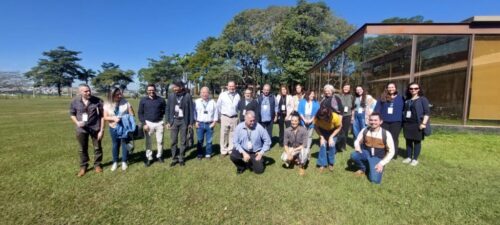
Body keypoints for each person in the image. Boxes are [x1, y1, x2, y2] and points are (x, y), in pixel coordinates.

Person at [69, 84, 104, 177]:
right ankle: (83, 166)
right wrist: (77, 122)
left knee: (97, 148)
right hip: (81, 129)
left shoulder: (97, 100)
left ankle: (97, 165)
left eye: (89, 90)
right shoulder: (75, 101)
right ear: (80, 92)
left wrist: (101, 130)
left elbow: (102, 116)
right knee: (82, 149)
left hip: (95, 128)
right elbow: (72, 114)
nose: (89, 92)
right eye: (86, 91)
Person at [350, 112, 395, 184]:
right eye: (371, 120)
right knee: (354, 155)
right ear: (368, 121)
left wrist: (381, 163)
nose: (373, 122)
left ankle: (375, 167)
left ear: (381, 121)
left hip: (378, 158)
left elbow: (392, 151)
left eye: (375, 120)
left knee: (374, 180)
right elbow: (357, 141)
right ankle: (363, 168)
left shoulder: (386, 134)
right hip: (366, 154)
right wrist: (357, 147)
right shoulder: (365, 130)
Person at [103, 87, 135, 171]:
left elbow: (132, 114)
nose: (120, 95)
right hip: (113, 127)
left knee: (125, 143)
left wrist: (126, 117)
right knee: (115, 144)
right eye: (117, 94)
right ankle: (115, 162)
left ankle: (124, 161)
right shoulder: (107, 105)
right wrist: (113, 118)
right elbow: (105, 117)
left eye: (120, 93)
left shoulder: (125, 102)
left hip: (125, 128)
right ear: (112, 95)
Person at [166, 80, 194, 166]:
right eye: (173, 87)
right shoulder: (170, 96)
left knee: (183, 141)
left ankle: (181, 157)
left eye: (175, 87)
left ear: (181, 87)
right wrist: (167, 121)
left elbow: (191, 110)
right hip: (173, 121)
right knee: (173, 141)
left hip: (184, 121)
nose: (174, 88)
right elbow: (167, 109)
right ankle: (174, 158)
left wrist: (190, 122)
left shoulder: (188, 96)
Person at [402, 82, 431, 166]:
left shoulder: (422, 99)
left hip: (418, 124)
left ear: (419, 89)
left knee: (417, 142)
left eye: (415, 88)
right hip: (407, 124)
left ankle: (415, 159)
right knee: (408, 141)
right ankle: (408, 157)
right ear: (409, 90)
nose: (413, 90)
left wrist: (423, 124)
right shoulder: (407, 100)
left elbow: (427, 112)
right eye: (411, 88)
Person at [138, 84, 166, 167]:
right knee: (148, 142)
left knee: (160, 141)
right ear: (147, 91)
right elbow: (140, 113)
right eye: (149, 90)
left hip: (159, 123)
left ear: (155, 90)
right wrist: (144, 124)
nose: (151, 91)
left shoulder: (161, 100)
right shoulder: (143, 100)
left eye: (152, 90)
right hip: (148, 123)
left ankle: (159, 156)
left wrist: (163, 120)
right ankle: (149, 157)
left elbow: (165, 110)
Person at [374, 82, 404, 159]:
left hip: (396, 122)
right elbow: (377, 109)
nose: (391, 89)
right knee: (384, 137)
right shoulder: (382, 97)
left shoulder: (401, 98)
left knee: (394, 138)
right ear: (386, 88)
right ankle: (384, 153)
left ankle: (393, 154)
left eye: (393, 87)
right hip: (384, 121)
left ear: (396, 88)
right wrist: (376, 119)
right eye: (389, 87)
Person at [314, 103, 342, 172]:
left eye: (325, 119)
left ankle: (331, 163)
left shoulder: (335, 117)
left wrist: (331, 137)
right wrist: (321, 137)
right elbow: (316, 127)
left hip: (333, 131)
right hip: (323, 131)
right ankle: (322, 164)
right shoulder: (317, 117)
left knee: (331, 145)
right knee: (323, 145)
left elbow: (339, 127)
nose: (323, 121)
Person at [216, 81, 240, 157]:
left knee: (233, 134)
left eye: (233, 86)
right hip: (225, 117)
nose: (231, 88)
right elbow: (218, 107)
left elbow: (239, 107)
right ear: (227, 87)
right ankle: (223, 151)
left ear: (235, 87)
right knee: (224, 134)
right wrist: (219, 117)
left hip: (234, 117)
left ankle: (230, 150)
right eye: (230, 86)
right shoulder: (222, 95)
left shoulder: (237, 95)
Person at [194, 86, 218, 159]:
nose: (204, 94)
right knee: (199, 140)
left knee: (209, 141)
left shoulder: (213, 102)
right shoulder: (196, 102)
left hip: (209, 124)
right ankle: (200, 154)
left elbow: (216, 113)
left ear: (209, 93)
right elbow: (194, 113)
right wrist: (195, 122)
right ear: (200, 93)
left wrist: (214, 122)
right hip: (200, 124)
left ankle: (208, 153)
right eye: (203, 92)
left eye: (206, 92)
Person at [297, 90, 320, 155]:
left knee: (309, 135)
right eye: (311, 94)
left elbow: (317, 112)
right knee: (304, 134)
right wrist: (304, 120)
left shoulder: (316, 103)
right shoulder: (302, 101)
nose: (313, 95)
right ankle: (303, 146)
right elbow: (300, 111)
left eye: (313, 94)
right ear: (308, 95)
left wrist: (311, 120)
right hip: (303, 118)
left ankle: (308, 147)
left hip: (312, 118)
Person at [335, 84, 354, 152]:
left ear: (349, 89)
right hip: (339, 115)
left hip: (347, 116)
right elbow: (334, 104)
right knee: (338, 130)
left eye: (347, 88)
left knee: (345, 131)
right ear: (342, 88)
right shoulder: (337, 95)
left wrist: (352, 116)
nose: (346, 88)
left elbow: (352, 107)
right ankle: (337, 145)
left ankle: (343, 145)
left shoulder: (351, 96)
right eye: (345, 87)